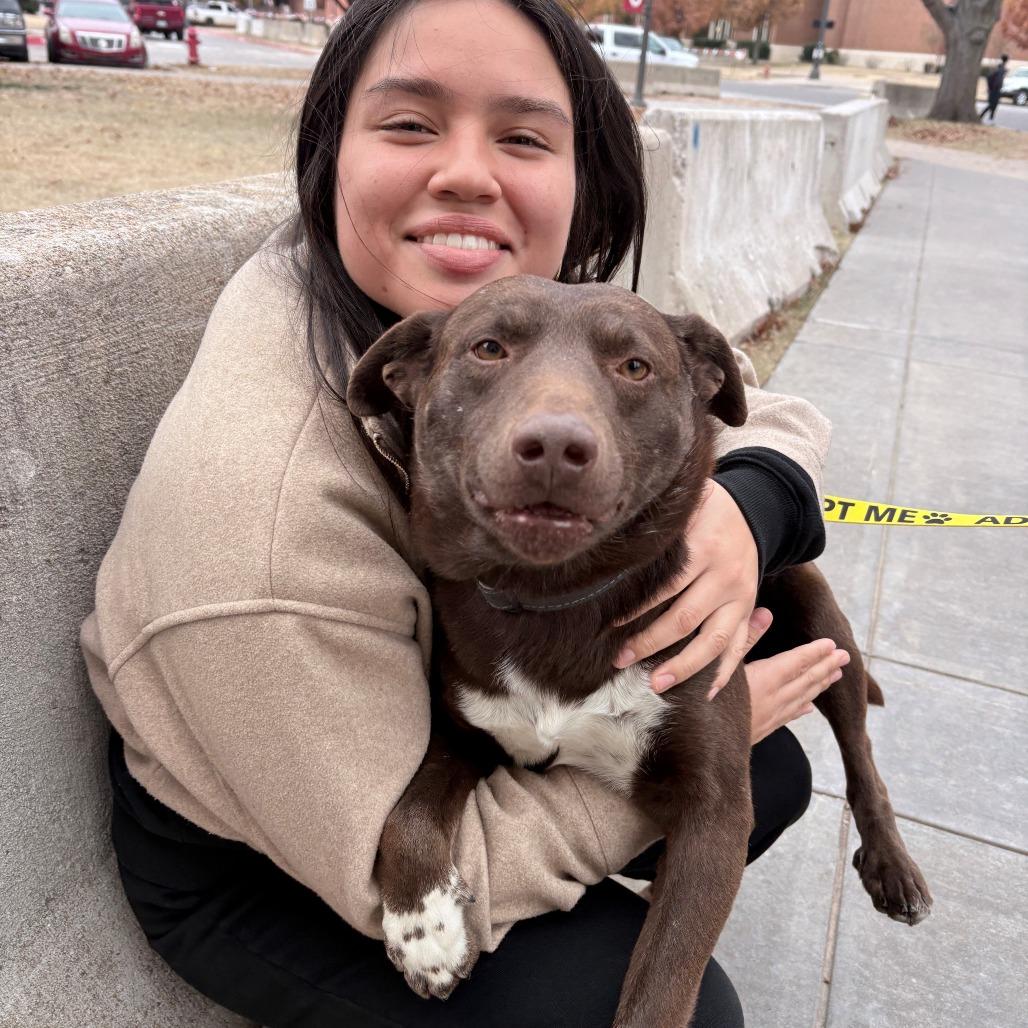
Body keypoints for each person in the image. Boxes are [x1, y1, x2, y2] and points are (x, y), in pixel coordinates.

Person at [80, 0, 850, 1023]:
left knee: (768, 767)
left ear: (587, 169)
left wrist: (742, 508)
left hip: (431, 719)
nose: (468, 173)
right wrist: (644, 794)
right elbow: (402, 872)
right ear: (327, 149)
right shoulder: (260, 530)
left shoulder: (508, 304)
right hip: (262, 857)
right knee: (680, 997)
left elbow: (756, 407)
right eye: (409, 124)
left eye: (524, 136)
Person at [979, 54, 1009, 123]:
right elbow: (996, 79)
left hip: (995, 90)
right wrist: (993, 87)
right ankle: (982, 116)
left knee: (994, 105)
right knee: (992, 105)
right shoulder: (1000, 69)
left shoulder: (999, 68)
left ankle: (991, 119)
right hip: (994, 90)